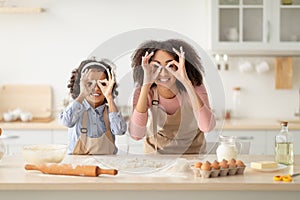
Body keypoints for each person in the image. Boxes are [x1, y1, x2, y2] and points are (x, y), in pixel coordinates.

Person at [129, 39, 216, 154]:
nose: (164, 73)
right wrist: (146, 84)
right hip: (156, 155)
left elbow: (207, 127)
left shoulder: (195, 87)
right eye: (156, 66)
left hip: (193, 155)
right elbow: (136, 135)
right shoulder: (145, 91)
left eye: (171, 65)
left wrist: (186, 83)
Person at [59, 58, 127, 155]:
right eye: (89, 83)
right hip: (78, 164)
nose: (96, 88)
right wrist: (82, 93)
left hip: (108, 164)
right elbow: (67, 122)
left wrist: (109, 97)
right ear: (80, 85)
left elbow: (120, 130)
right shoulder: (76, 109)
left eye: (102, 84)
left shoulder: (110, 112)